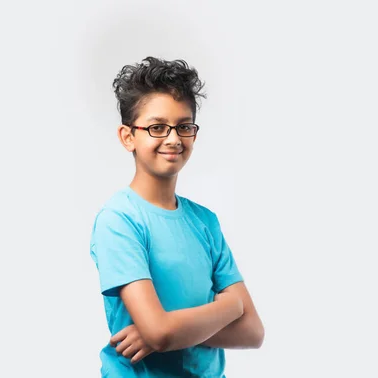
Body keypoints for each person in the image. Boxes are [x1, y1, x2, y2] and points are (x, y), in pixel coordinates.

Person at [89, 56, 264, 377]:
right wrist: (230, 306)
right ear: (128, 136)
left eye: (184, 126)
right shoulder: (120, 220)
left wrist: (167, 331)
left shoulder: (205, 222)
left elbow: (252, 332)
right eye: (157, 127)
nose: (173, 138)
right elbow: (160, 332)